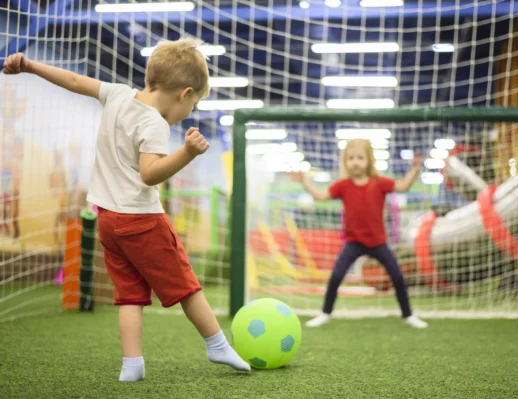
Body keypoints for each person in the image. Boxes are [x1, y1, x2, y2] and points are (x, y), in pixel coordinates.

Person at [3, 38, 251, 381]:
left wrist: (30, 66)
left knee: (130, 294)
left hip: (108, 221)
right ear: (184, 93)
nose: (186, 114)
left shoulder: (118, 94)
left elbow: (75, 82)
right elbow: (149, 175)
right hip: (141, 220)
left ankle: (132, 365)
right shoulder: (155, 124)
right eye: (191, 105)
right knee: (186, 286)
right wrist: (187, 154)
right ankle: (217, 343)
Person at [291, 139, 428, 329]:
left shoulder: (379, 183)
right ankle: (325, 313)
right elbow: (321, 196)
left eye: (360, 158)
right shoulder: (343, 185)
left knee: (397, 276)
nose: (355, 162)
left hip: (378, 242)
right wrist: (305, 182)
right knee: (336, 276)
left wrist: (414, 171)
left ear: (369, 161)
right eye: (351, 158)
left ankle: (408, 315)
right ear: (345, 161)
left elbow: (403, 187)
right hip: (353, 242)